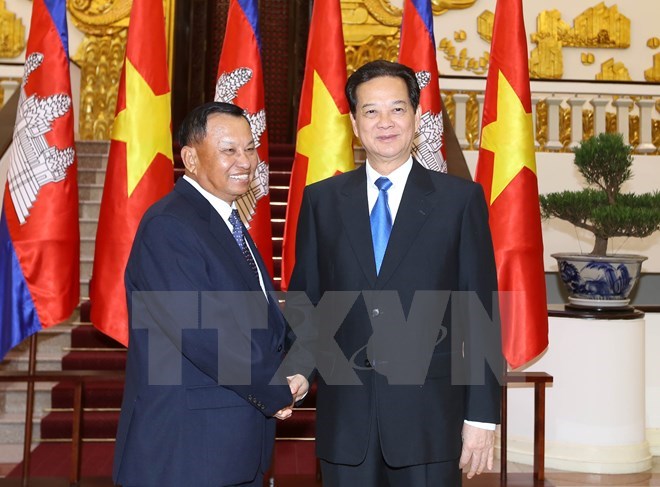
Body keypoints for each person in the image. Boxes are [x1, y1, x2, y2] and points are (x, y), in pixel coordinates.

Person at [287, 60, 503, 486]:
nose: (384, 123)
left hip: (429, 420)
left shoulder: (458, 201)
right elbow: (307, 303)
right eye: (370, 111)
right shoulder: (322, 202)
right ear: (353, 122)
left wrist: (481, 416)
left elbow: (478, 315)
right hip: (346, 420)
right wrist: (295, 370)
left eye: (397, 109)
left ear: (417, 116)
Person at [113, 101, 308, 487]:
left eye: (250, 148)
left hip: (227, 445)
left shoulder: (225, 220)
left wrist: (295, 365)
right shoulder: (170, 225)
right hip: (187, 450)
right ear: (191, 157)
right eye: (229, 150)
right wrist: (274, 390)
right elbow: (203, 334)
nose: (246, 161)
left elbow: (260, 317)